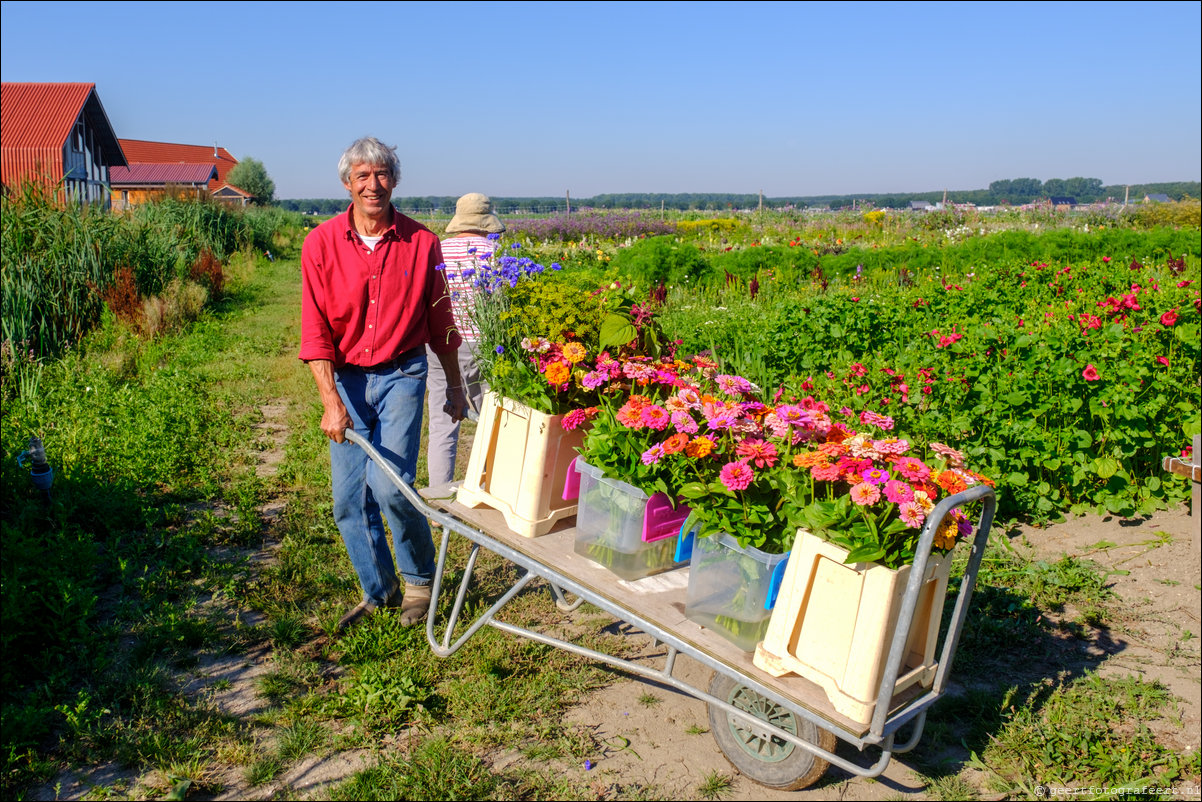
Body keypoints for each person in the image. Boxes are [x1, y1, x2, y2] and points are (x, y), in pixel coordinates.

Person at [299, 136, 468, 632]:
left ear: (394, 179)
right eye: (363, 176)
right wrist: (331, 400)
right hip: (347, 379)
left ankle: (418, 582)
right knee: (348, 499)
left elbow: (442, 323)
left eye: (382, 174)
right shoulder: (321, 243)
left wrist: (454, 387)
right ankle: (380, 589)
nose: (373, 185)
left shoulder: (420, 242)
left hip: (402, 373)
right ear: (348, 183)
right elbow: (315, 330)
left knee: (392, 486)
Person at [425, 193, 504, 486]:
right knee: (491, 419)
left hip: (440, 343)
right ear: (486, 221)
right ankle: (490, 490)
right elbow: (501, 302)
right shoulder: (493, 253)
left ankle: (439, 498)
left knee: (442, 421)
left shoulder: (438, 251)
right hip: (482, 343)